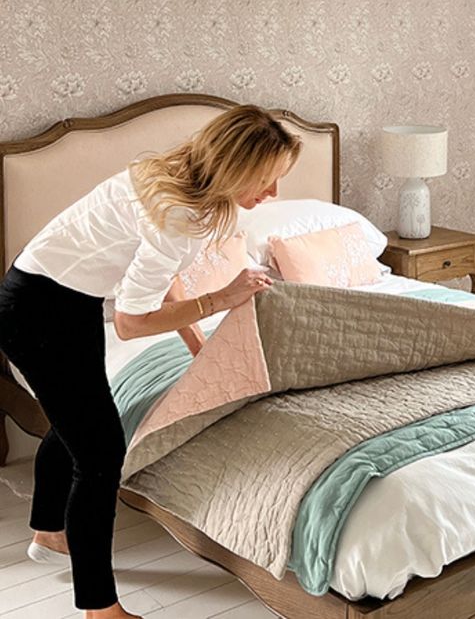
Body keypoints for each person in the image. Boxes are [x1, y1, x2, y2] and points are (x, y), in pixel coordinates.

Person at [0, 105, 301, 619]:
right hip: (37, 309)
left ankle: (50, 532)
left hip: (68, 300)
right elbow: (131, 323)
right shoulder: (177, 213)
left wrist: (196, 345)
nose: (273, 194)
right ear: (235, 168)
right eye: (268, 180)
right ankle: (100, 609)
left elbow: (167, 274)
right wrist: (221, 299)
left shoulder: (191, 190)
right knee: (99, 456)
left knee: (77, 422)